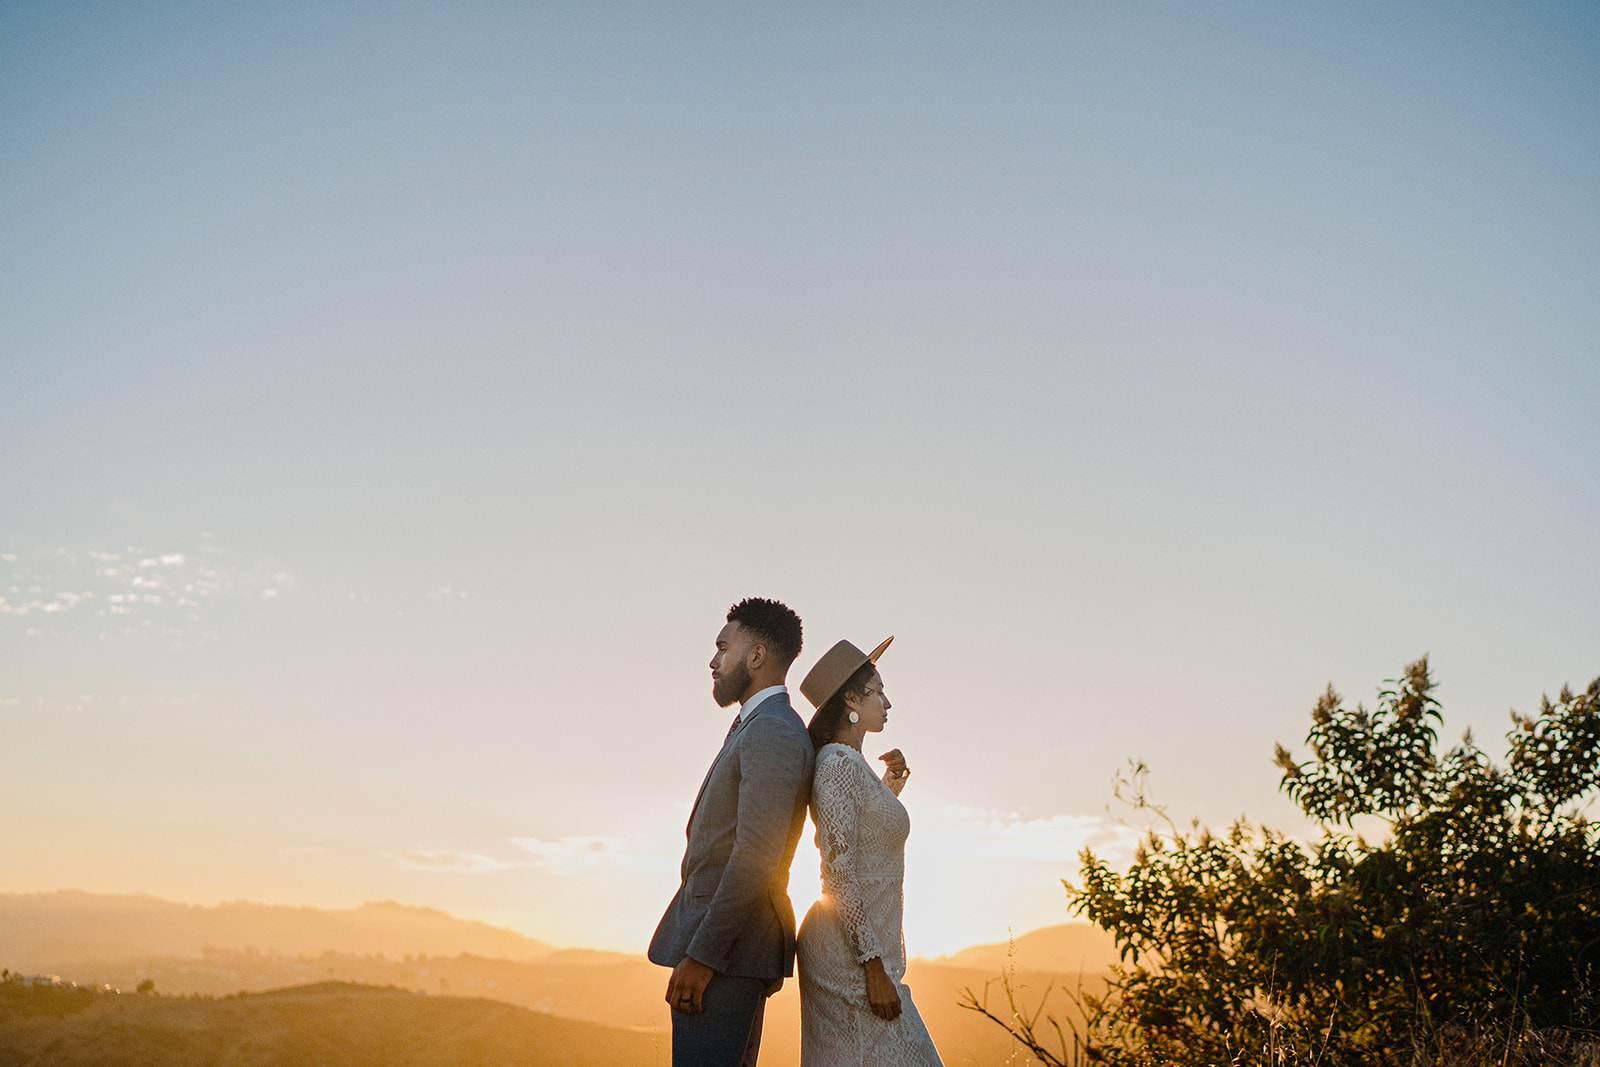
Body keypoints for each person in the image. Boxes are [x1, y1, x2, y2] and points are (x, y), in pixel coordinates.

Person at [649, 597, 815, 1067]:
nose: (713, 660)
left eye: (724, 647)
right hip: (727, 950)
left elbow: (756, 857)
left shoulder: (773, 731)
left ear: (757, 656)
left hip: (727, 954)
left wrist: (703, 957)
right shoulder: (758, 725)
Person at [795, 636, 944, 1066]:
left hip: (861, 953)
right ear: (850, 699)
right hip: (847, 959)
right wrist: (872, 966)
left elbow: (867, 833)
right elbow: (838, 872)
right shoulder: (838, 764)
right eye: (877, 691)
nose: (887, 702)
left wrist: (890, 785)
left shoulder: (850, 763)